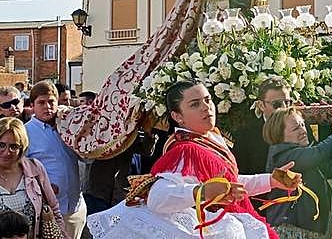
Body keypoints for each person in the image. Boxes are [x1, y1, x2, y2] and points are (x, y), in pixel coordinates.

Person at [87, 80, 301, 238]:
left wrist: (272, 181)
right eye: (195, 104)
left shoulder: (211, 138)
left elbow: (230, 181)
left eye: (207, 100)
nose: (206, 107)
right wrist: (201, 192)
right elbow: (157, 198)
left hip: (233, 219)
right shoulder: (184, 150)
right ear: (177, 116)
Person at [263, 106, 332, 238]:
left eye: (303, 125)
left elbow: (327, 163)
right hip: (290, 229)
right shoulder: (282, 156)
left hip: (307, 228)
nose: (303, 130)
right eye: (296, 128)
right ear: (280, 135)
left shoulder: (301, 154)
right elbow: (319, 153)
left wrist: (330, 125)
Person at [25, 81, 86, 239]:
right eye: (41, 102)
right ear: (32, 105)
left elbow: (85, 158)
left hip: (75, 207)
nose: (47, 106)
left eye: (51, 101)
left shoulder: (68, 126)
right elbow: (20, 170)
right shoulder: (26, 133)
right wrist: (42, 186)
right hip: (47, 212)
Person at [0, 117, 66, 238]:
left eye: (13, 147)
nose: (6, 152)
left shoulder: (34, 168)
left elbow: (54, 210)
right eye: (1, 145)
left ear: (22, 148)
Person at [233, 76, 293, 175]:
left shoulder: (302, 126)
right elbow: (242, 175)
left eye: (287, 102)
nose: (284, 108)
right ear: (261, 105)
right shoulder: (246, 136)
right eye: (276, 104)